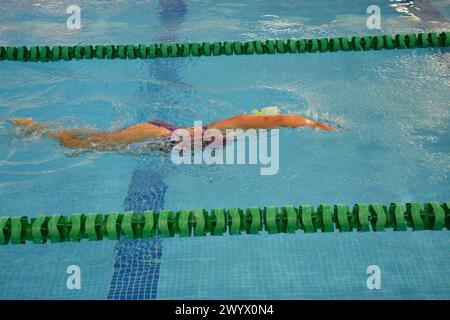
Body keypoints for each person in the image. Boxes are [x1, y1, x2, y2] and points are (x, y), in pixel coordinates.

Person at [11, 107, 335, 151]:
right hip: (159, 134)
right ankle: (35, 128)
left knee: (96, 140)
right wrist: (317, 124)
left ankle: (48, 129)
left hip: (163, 136)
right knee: (80, 146)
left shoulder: (238, 133)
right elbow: (279, 120)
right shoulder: (242, 122)